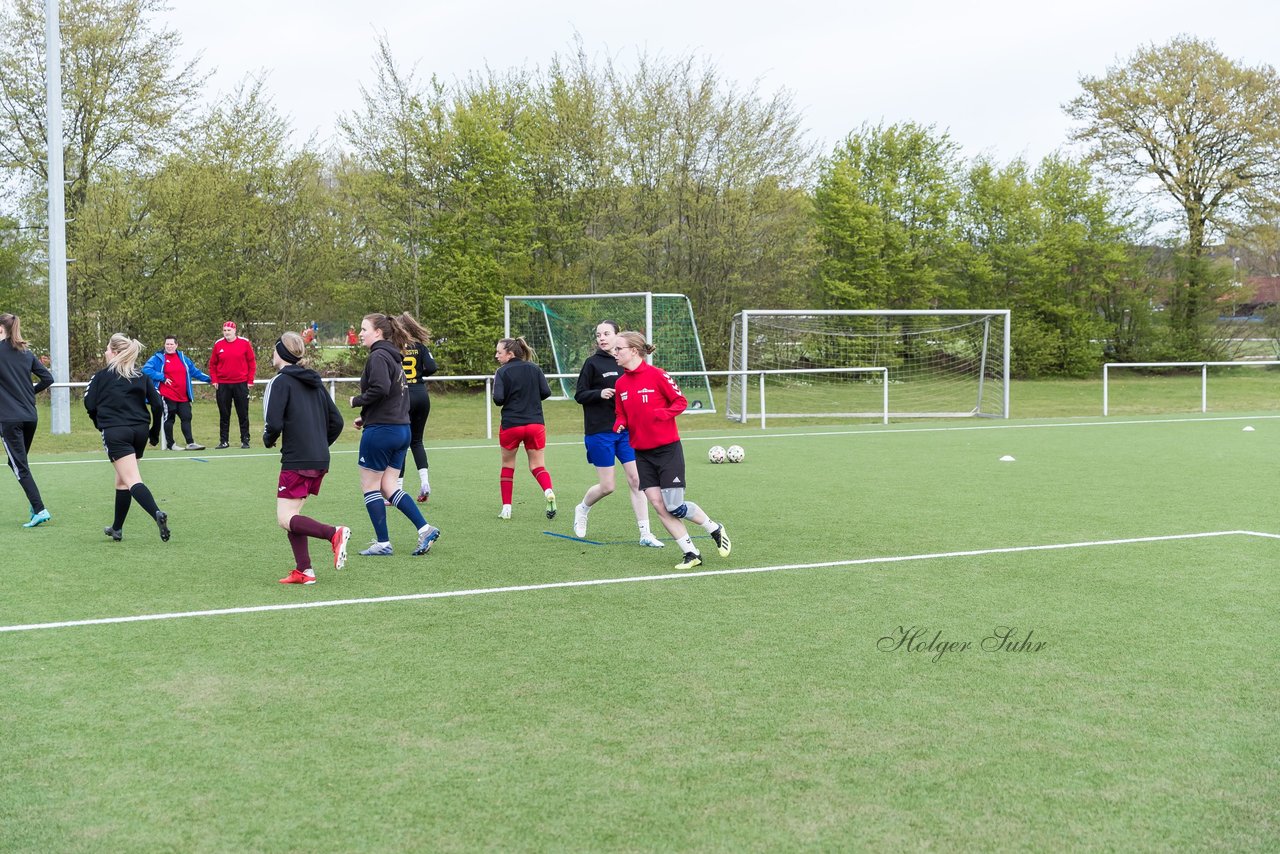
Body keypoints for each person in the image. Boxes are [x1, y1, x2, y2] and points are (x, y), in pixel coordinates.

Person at [610, 331, 731, 570]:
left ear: (633, 351)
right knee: (657, 504)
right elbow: (621, 412)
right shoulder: (620, 383)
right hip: (641, 453)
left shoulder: (658, 375)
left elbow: (680, 401)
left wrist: (661, 415)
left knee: (675, 505)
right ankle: (691, 553)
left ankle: (714, 528)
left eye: (618, 349)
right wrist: (619, 422)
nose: (614, 353)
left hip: (667, 450)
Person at [262, 331, 351, 584]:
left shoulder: (281, 381)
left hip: (297, 460)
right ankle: (305, 570)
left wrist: (268, 439)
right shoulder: (315, 382)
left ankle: (334, 533)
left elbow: (274, 422)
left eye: (275, 348)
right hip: (319, 458)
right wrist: (320, 445)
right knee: (293, 517)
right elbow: (337, 421)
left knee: (285, 518)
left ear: (281, 352)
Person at [349, 313, 440, 557]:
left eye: (364, 328)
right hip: (401, 429)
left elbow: (380, 389)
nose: (361, 333)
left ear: (378, 332)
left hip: (382, 431)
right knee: (389, 486)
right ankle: (425, 528)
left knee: (370, 487)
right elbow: (394, 395)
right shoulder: (394, 357)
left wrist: (356, 401)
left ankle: (382, 542)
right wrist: (366, 417)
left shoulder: (378, 356)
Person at [571, 320, 663, 548]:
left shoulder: (626, 362)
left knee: (637, 480)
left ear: (617, 335)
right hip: (600, 431)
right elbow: (580, 394)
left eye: (606, 333)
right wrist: (598, 393)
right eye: (598, 334)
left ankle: (645, 533)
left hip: (625, 431)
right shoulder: (592, 363)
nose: (602, 338)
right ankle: (583, 508)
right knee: (608, 487)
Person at [83, 333, 171, 543]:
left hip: (116, 432)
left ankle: (157, 513)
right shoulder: (141, 376)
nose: (105, 352)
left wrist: (99, 424)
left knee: (132, 479)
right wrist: (154, 432)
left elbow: (89, 404)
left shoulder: (101, 376)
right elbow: (158, 405)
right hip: (139, 431)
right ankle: (117, 528)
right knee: (122, 480)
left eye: (107, 349)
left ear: (114, 352)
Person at [0, 313, 55, 527]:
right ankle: (35, 505)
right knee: (16, 463)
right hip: (30, 417)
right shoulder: (26, 352)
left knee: (20, 466)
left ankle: (40, 508)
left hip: (10, 419)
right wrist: (31, 392)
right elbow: (48, 378)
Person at [492, 336, 556, 520]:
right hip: (535, 424)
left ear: (510, 354)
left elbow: (498, 399)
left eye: (499, 352)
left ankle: (506, 509)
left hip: (511, 425)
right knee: (537, 465)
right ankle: (548, 491)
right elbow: (546, 392)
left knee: (508, 466)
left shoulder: (502, 372)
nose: (497, 355)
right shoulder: (535, 369)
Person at [142, 335, 210, 451]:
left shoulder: (183, 358)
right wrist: (162, 377)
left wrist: (211, 379)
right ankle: (171, 444)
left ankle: (190, 443)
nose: (169, 346)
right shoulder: (158, 358)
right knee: (169, 419)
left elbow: (195, 371)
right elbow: (146, 370)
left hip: (183, 396)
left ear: (176, 345)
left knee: (186, 417)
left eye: (171, 344)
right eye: (167, 344)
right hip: (167, 395)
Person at [396, 312, 437, 503]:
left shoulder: (395, 347)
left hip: (403, 395)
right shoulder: (420, 346)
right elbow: (432, 367)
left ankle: (397, 490)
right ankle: (425, 483)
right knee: (417, 441)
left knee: (401, 443)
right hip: (421, 394)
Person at [208, 321, 256, 449]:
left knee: (243, 413)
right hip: (223, 384)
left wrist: (250, 380)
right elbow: (212, 364)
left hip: (240, 383)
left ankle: (245, 440)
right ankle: (224, 441)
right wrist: (215, 380)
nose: (226, 333)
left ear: (235, 331)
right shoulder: (218, 345)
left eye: (229, 330)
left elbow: (251, 362)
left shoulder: (244, 343)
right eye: (224, 330)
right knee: (224, 414)